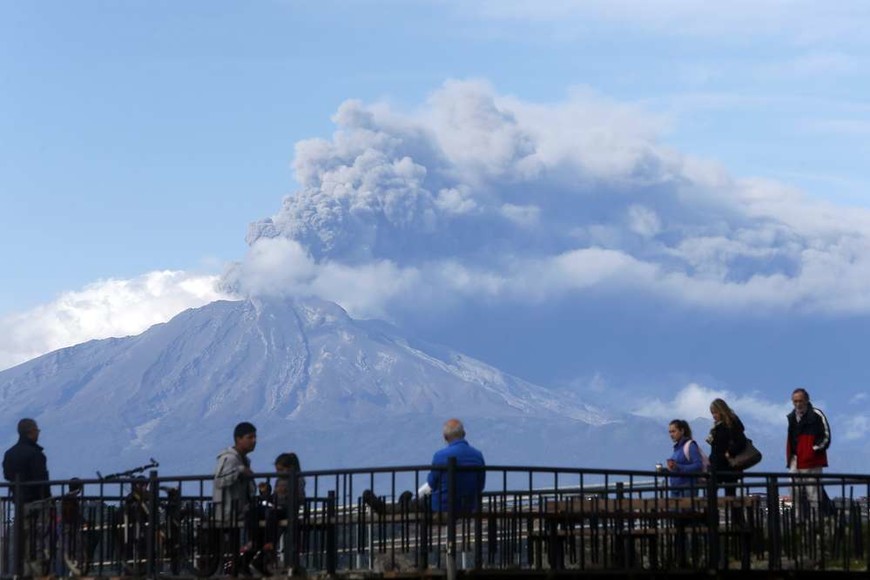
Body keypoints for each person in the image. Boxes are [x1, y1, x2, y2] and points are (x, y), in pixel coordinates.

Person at [3, 418, 51, 576]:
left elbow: (8, 475)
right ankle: (38, 573)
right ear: (31, 432)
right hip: (37, 503)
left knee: (21, 543)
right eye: (37, 430)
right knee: (38, 543)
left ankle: (20, 573)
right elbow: (42, 481)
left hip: (19, 504)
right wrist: (48, 501)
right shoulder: (36, 455)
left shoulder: (9, 454)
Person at [213, 421, 260, 575]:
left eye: (255, 437)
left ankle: (244, 561)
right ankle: (242, 563)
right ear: (238, 439)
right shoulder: (230, 459)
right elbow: (219, 480)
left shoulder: (243, 459)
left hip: (240, 508)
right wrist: (239, 471)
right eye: (250, 437)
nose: (254, 441)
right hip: (229, 510)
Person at [418, 418, 486, 513]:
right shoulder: (477, 455)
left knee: (418, 503)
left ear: (445, 437)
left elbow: (432, 482)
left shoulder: (440, 456)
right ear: (464, 434)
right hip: (469, 507)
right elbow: (480, 485)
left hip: (442, 507)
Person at [787, 388, 831, 516]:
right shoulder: (792, 417)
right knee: (793, 488)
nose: (797, 404)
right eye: (795, 401)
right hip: (796, 458)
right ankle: (797, 517)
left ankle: (815, 518)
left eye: (800, 401)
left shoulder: (817, 415)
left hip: (812, 460)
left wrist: (813, 450)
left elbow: (826, 437)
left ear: (806, 400)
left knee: (813, 491)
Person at [706, 399, 747, 499]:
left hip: (729, 466)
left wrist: (730, 452)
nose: (714, 416)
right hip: (717, 465)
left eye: (715, 412)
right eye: (712, 413)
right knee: (712, 493)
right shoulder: (717, 426)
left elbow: (741, 441)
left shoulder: (732, 424)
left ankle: (734, 515)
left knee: (730, 495)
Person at [663, 419, 705, 498]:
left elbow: (698, 465)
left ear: (682, 431)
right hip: (675, 488)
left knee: (686, 509)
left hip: (687, 487)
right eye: (670, 432)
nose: (671, 434)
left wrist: (678, 467)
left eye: (673, 431)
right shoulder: (677, 448)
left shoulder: (690, 446)